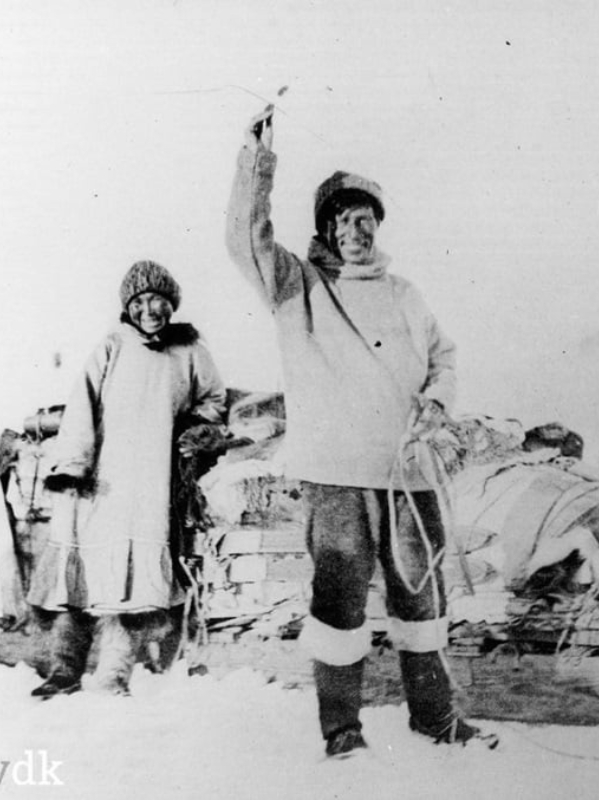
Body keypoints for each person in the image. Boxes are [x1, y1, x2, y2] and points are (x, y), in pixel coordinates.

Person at [225, 105, 495, 757]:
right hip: (337, 474)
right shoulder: (297, 285)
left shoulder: (405, 293)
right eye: (344, 219)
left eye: (366, 218)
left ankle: (435, 717)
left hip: (408, 475)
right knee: (340, 602)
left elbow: (444, 357)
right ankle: (342, 729)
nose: (356, 229)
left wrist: (436, 401)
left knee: (422, 600)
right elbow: (245, 241)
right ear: (326, 229)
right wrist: (256, 161)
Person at [26, 261, 226, 697]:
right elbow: (82, 406)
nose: (149, 310)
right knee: (79, 576)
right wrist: (74, 466)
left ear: (171, 304)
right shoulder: (112, 345)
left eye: (158, 300)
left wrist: (197, 427)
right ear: (128, 307)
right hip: (98, 481)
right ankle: (63, 670)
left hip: (148, 482)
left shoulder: (190, 351)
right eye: (140, 302)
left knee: (131, 585)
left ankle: (113, 674)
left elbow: (214, 399)